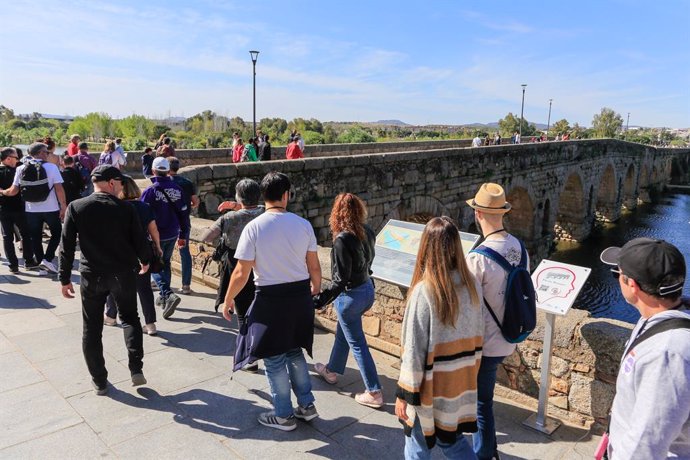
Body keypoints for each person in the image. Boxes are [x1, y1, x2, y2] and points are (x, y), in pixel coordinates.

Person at [222, 171, 321, 432]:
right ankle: (307, 406)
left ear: (263, 196)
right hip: (299, 297)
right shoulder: (303, 225)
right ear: (286, 195)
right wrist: (315, 288)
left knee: (274, 358)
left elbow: (241, 272)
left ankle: (284, 415)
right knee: (295, 350)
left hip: (270, 298)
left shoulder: (253, 228)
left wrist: (228, 299)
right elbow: (314, 267)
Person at [395, 216, 483, 460]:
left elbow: (413, 351)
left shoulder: (424, 292)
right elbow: (478, 336)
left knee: (416, 442)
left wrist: (404, 395)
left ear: (425, 246)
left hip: (430, 388)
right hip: (459, 383)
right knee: (452, 440)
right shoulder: (472, 286)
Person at [58, 165, 151, 395]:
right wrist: (145, 260)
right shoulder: (126, 209)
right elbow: (139, 240)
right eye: (119, 183)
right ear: (111, 183)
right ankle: (135, 368)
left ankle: (99, 380)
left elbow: (66, 246)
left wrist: (64, 277)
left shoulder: (76, 207)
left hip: (92, 275)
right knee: (130, 318)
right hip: (123, 273)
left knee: (91, 328)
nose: (121, 187)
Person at [600, 238, 690, 459]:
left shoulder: (667, 353)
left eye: (617, 274)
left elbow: (647, 443)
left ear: (633, 285)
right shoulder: (656, 318)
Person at [464, 183, 527, 460]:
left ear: (478, 214)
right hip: (510, 336)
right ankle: (486, 449)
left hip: (485, 344)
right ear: (502, 213)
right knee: (482, 400)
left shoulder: (477, 259)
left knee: (481, 404)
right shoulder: (519, 247)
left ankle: (483, 454)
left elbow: (470, 309)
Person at [312, 193, 383, 408]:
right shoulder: (368, 231)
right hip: (367, 290)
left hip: (351, 297)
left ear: (337, 213)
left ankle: (374, 391)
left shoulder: (342, 239)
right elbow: (369, 261)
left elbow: (340, 280)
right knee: (345, 333)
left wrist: (320, 299)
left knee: (358, 344)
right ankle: (331, 371)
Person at [202, 179, 264, 371]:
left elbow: (206, 237)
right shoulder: (265, 212)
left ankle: (249, 358)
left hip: (237, 265)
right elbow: (253, 207)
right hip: (262, 265)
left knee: (243, 312)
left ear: (238, 197)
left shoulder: (228, 218)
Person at [104, 176, 162, 336]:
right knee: (144, 290)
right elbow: (153, 229)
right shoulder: (144, 207)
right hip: (141, 251)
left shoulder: (114, 207)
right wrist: (158, 246)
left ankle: (110, 316)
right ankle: (150, 325)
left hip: (120, 252)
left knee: (115, 285)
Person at [0, 142, 67, 275]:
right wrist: (63, 206)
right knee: (57, 233)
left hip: (31, 209)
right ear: (41, 153)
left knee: (35, 237)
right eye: (46, 152)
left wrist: (2, 192)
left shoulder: (21, 168)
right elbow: (59, 189)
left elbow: (13, 191)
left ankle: (41, 263)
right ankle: (47, 259)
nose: (48, 154)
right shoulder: (52, 167)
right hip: (50, 208)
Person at [140, 157, 188, 319]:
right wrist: (184, 235)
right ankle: (164, 296)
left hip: (156, 236)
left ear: (153, 171)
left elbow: (141, 215)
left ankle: (168, 293)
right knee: (164, 262)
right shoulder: (178, 189)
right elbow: (184, 214)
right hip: (173, 233)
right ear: (168, 171)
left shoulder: (150, 192)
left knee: (155, 265)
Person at [0, 147, 36, 273]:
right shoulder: (20, 170)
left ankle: (13, 265)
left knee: (7, 237)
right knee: (26, 234)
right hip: (20, 208)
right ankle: (29, 261)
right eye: (16, 157)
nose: (18, 159)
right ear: (8, 158)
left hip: (3, 209)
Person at [168, 157, 199, 295]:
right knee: (184, 253)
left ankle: (162, 284)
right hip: (183, 224)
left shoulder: (163, 183)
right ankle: (186, 285)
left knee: (163, 253)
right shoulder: (187, 183)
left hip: (166, 225)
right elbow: (195, 201)